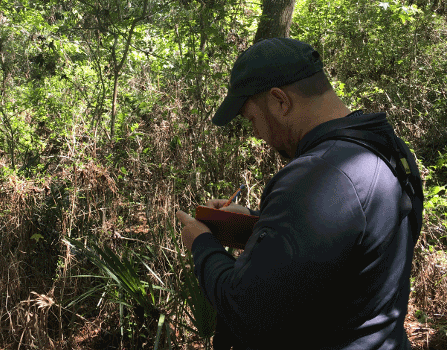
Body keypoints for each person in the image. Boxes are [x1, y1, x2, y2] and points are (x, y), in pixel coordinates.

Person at [175, 38, 423, 349]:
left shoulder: (317, 175)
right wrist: (252, 225)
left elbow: (248, 311)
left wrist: (202, 245)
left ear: (280, 101)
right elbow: (348, 248)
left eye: (252, 120)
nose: (257, 134)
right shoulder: (386, 149)